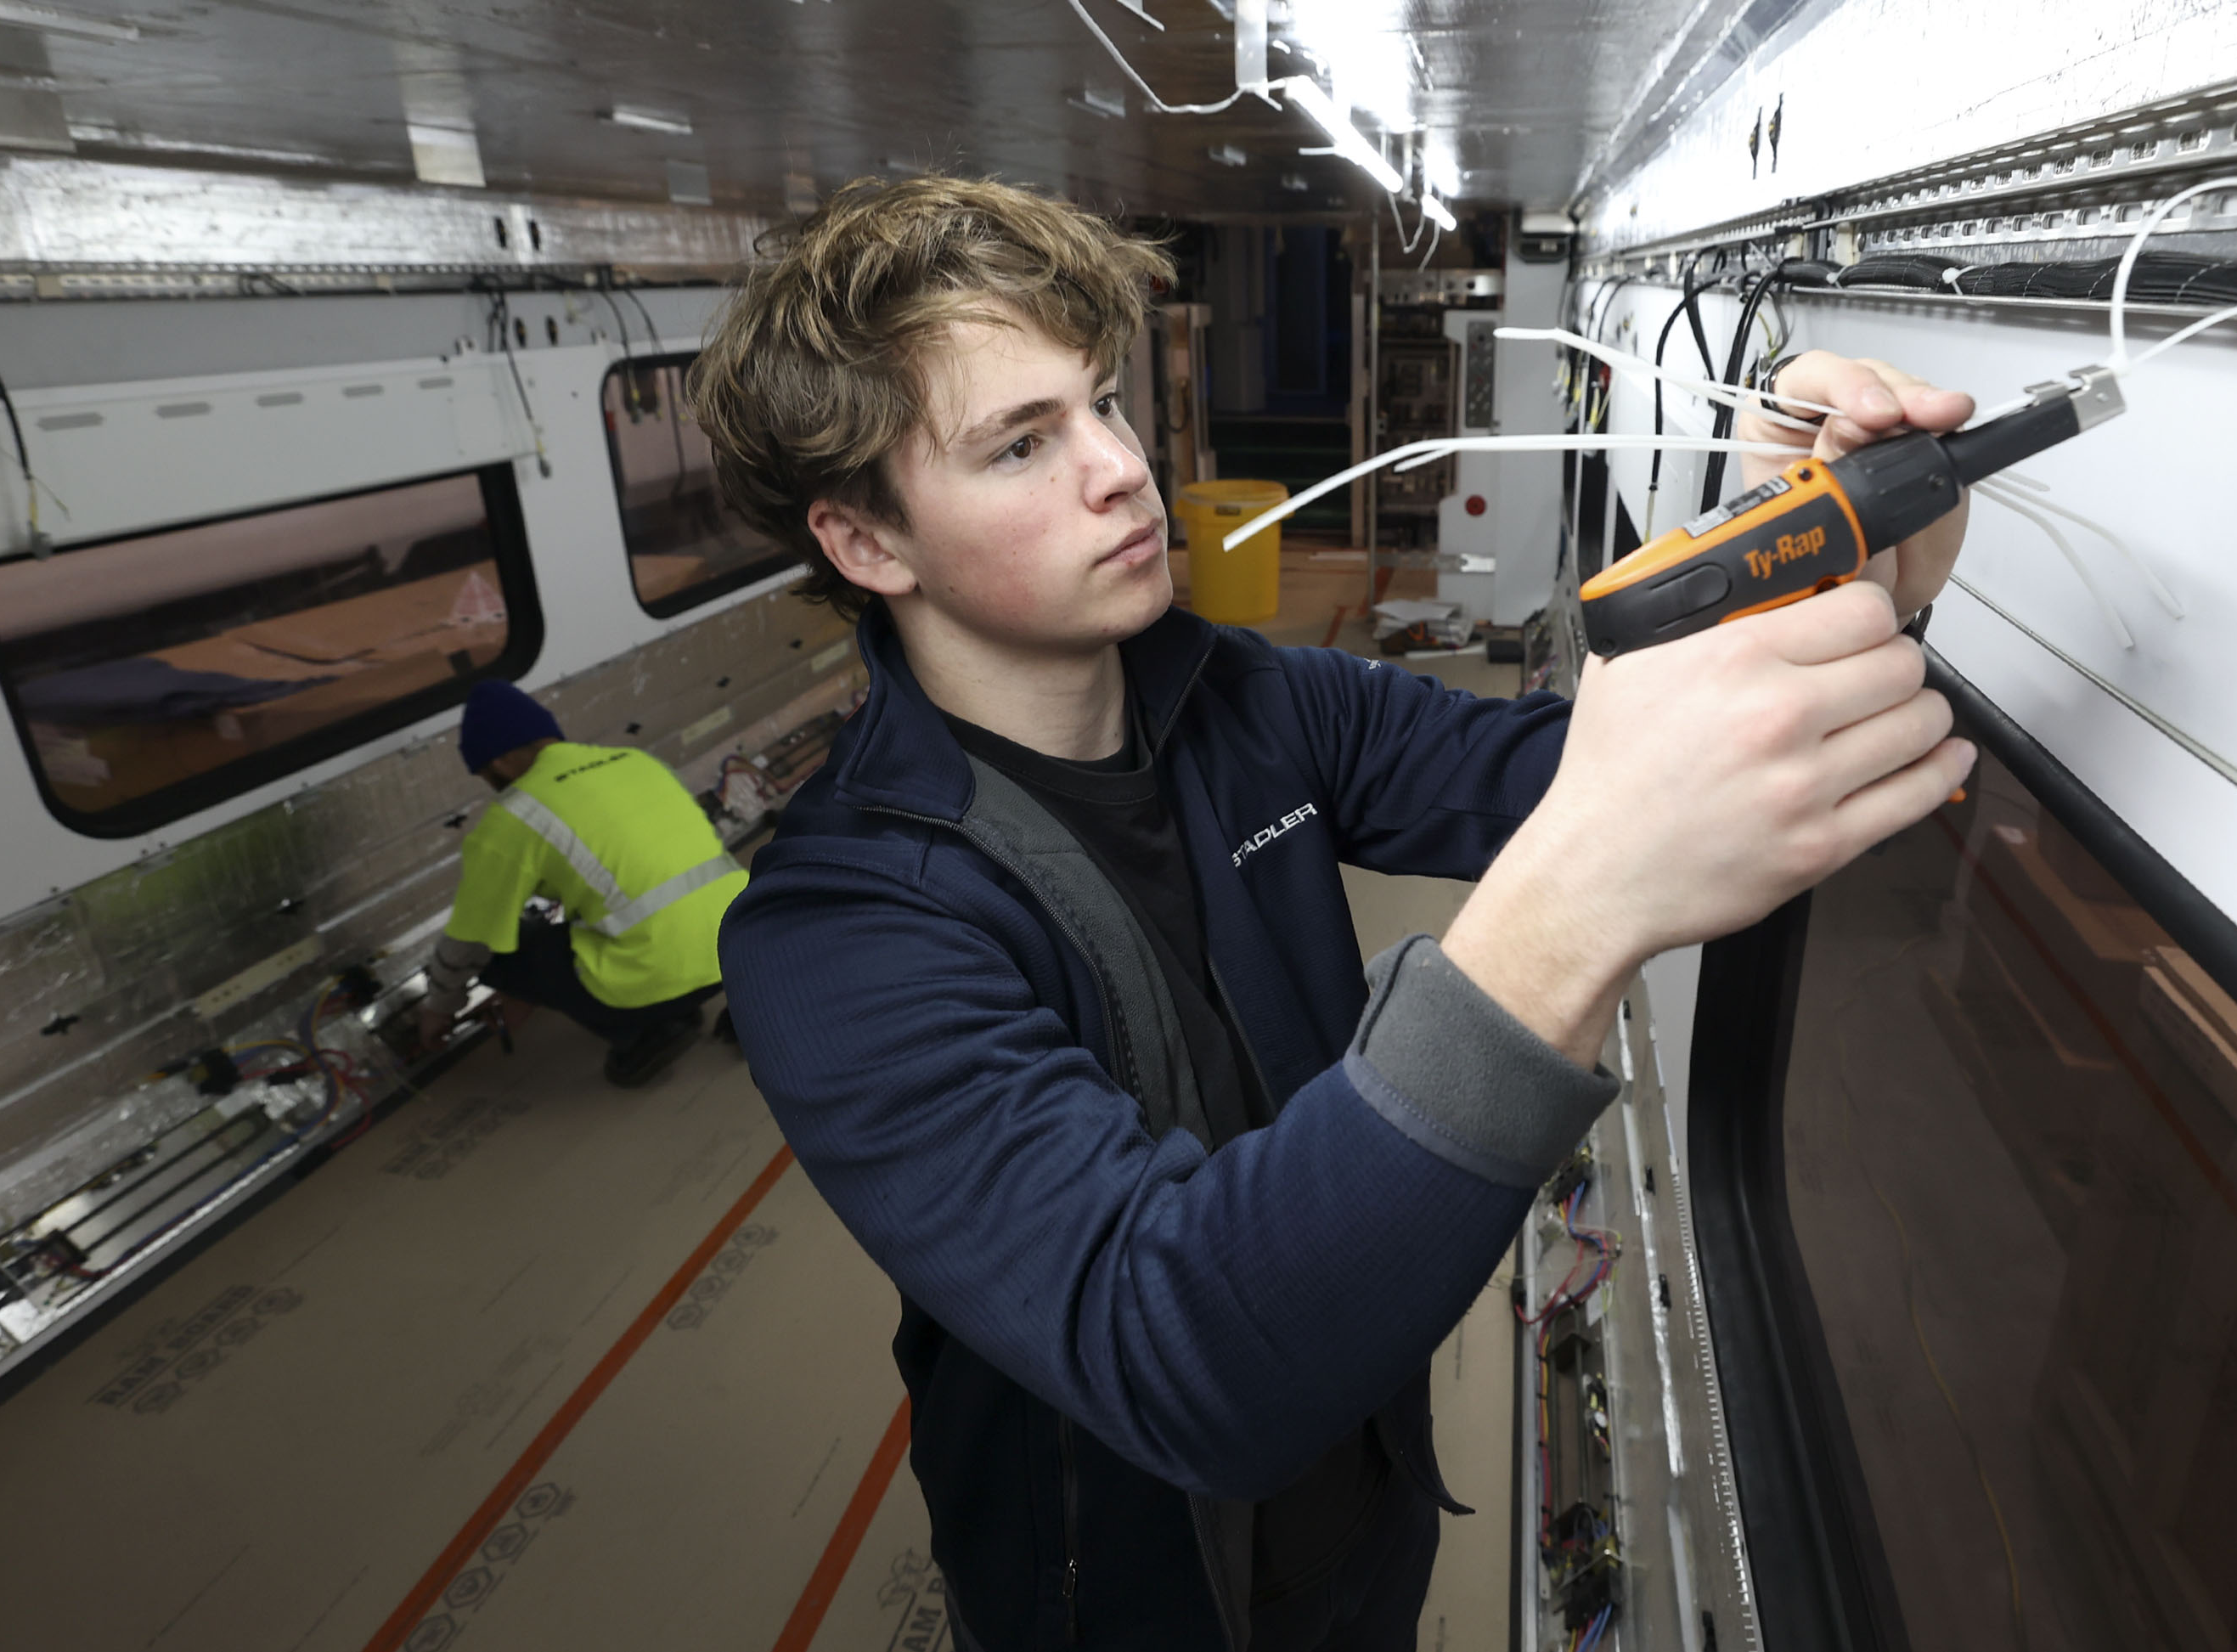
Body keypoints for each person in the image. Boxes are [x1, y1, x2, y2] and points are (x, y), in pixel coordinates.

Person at [692, 175, 1975, 1651]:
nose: (1121, 468)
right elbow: (1188, 1363)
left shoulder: (1254, 703)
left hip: (1367, 1511)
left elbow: (1597, 776)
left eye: (1104, 404)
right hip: (1133, 1601)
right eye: (1021, 446)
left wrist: (1795, 543)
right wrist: (1562, 918)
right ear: (867, 545)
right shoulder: (843, 931)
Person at [417, 679, 747, 1086]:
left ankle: (647, 1030)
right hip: (748, 950)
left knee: (503, 948)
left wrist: (439, 1007)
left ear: (497, 763)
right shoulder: (636, 760)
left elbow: (471, 938)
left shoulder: (512, 816)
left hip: (656, 978)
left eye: (485, 774)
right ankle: (758, 1007)